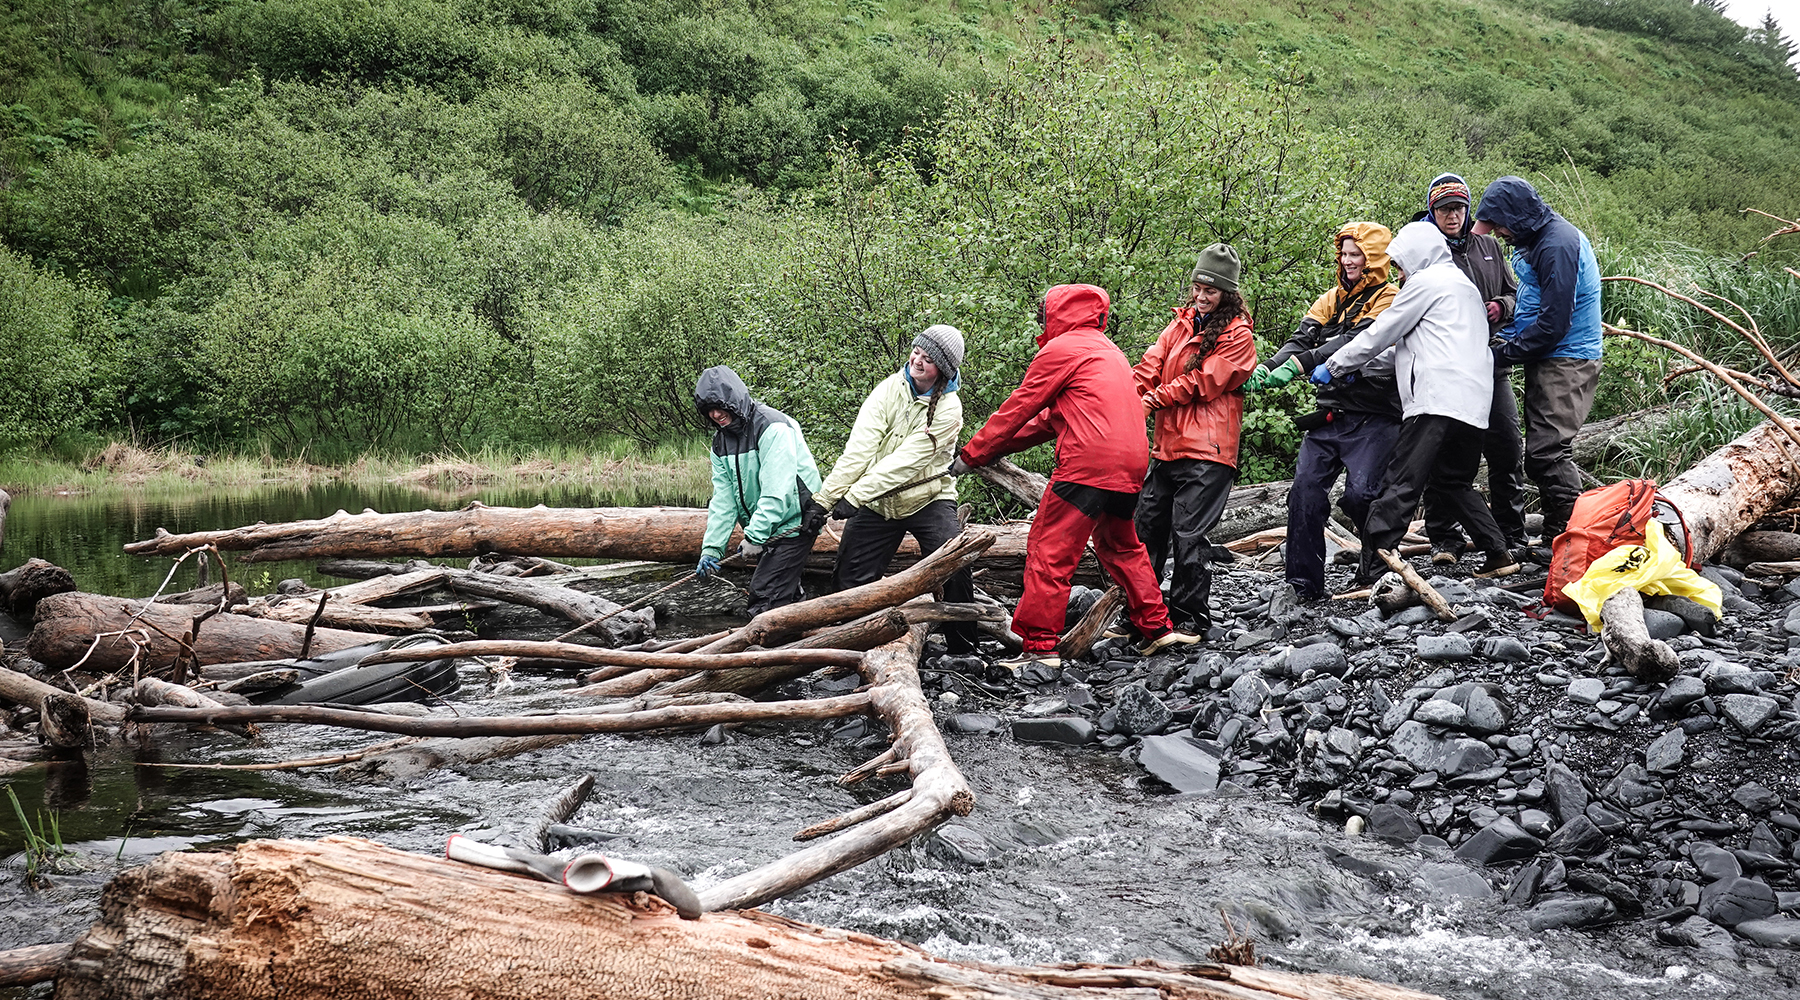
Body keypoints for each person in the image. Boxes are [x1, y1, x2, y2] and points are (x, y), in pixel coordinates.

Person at [952, 284, 1198, 671]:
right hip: (1132, 465)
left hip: (1088, 465)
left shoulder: (1062, 350)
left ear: (1058, 313)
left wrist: (971, 454)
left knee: (1049, 550)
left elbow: (1019, 407)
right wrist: (990, 451)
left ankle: (1039, 648)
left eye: (1044, 313)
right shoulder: (1109, 352)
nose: (1040, 320)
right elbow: (1047, 421)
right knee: (1121, 545)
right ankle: (1157, 627)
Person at [1315, 220, 1518, 582]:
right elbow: (1411, 349)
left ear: (1417, 255)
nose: (1400, 271)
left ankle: (1374, 571)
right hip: (1472, 404)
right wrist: (1358, 370)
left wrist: (1334, 363)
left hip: (1435, 400)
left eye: (1401, 263)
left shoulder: (1427, 282)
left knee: (1400, 482)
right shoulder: (1463, 288)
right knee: (1452, 482)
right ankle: (1498, 552)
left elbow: (1383, 331)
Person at [1246, 223, 1401, 601]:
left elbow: (1356, 342)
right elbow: (1301, 339)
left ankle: (1377, 569)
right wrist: (1270, 366)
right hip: (1331, 415)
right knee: (1304, 494)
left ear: (1374, 259)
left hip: (1374, 415)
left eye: (1356, 254)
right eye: (1344, 254)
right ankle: (1303, 584)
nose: (1348, 261)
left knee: (1361, 496)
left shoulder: (1391, 298)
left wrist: (1299, 366)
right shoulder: (1329, 299)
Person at [804, 325, 976, 651]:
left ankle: (964, 649)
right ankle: (849, 646)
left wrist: (855, 496)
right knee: (848, 578)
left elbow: (906, 463)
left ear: (944, 368)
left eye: (928, 359)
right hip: (879, 503)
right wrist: (823, 501)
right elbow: (859, 450)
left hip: (928, 497)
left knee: (955, 563)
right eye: (917, 353)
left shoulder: (949, 409)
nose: (918, 361)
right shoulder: (887, 390)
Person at [1472, 175, 1604, 550]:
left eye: (1499, 224)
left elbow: (1553, 322)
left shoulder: (1558, 245)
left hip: (1567, 357)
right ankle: (1560, 537)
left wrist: (1503, 352)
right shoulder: (1538, 239)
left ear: (1517, 215)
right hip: (1550, 355)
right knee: (1545, 450)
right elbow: (1533, 305)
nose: (1497, 233)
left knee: (1547, 451)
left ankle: (1568, 541)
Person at [1132, 244, 1257, 633]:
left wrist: (1151, 400)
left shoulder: (1239, 337)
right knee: (1145, 529)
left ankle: (1189, 617)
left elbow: (1202, 382)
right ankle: (1143, 614)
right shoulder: (1179, 325)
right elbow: (1148, 368)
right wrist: (1120, 400)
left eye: (1212, 290)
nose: (1202, 296)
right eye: (1198, 287)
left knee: (1189, 537)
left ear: (1227, 293)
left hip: (1208, 453)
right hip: (1166, 449)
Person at [1414, 174, 1526, 564]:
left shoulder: (1489, 247)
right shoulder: (1427, 249)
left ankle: (1511, 534)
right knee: (1442, 453)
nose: (1453, 215)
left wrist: (1502, 306)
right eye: (1444, 208)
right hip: (1445, 367)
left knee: (1507, 447)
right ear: (1433, 210)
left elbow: (1515, 294)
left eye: (1459, 207)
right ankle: (1445, 538)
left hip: (1491, 362)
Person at [694, 365, 824, 615]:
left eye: (720, 406)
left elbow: (778, 491)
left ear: (735, 399)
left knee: (764, 597)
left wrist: (754, 536)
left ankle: (765, 650)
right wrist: (711, 548)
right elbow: (724, 499)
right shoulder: (720, 442)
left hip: (796, 521)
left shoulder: (772, 427)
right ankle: (798, 628)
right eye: (709, 409)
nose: (716, 414)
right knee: (778, 591)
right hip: (767, 526)